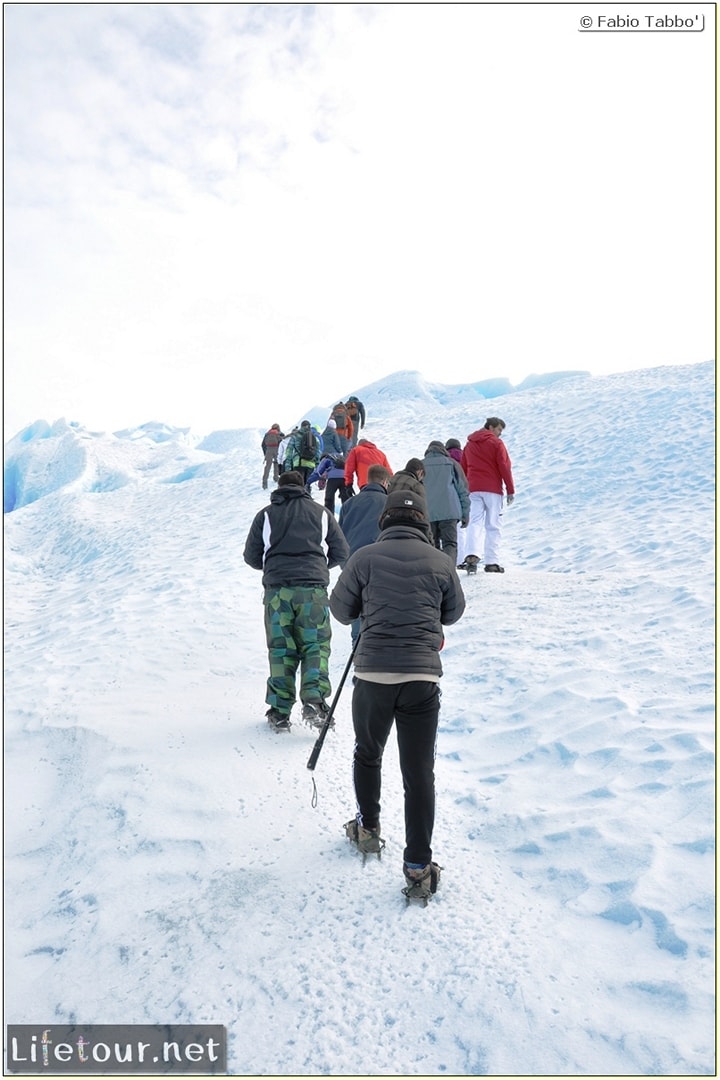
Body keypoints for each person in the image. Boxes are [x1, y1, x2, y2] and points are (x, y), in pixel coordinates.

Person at [329, 488, 466, 902]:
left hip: (372, 674)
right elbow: (453, 613)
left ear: (384, 520)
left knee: (368, 753)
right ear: (424, 523)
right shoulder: (441, 561)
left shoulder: (364, 558)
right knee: (418, 773)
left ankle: (368, 829)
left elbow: (340, 610)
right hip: (421, 679)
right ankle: (418, 868)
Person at [243, 471, 349, 732]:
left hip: (277, 592)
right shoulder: (321, 513)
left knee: (281, 649)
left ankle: (279, 711)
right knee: (315, 646)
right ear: (304, 488)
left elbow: (251, 556)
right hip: (312, 591)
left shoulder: (266, 515)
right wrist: (319, 566)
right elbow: (342, 551)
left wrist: (273, 567)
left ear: (279, 488)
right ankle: (314, 701)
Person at [337, 463, 391, 641]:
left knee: (359, 612)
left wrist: (345, 563)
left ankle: (358, 654)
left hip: (353, 564)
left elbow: (340, 534)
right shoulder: (389, 503)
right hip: (382, 563)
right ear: (384, 482)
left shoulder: (349, 504)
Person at [461, 417, 515, 574]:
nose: (500, 433)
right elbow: (504, 466)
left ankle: (472, 554)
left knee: (474, 522)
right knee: (493, 525)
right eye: (498, 429)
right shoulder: (496, 444)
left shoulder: (469, 444)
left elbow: (463, 467)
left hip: (473, 489)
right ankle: (492, 562)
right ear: (491, 427)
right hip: (492, 489)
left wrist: (465, 488)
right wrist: (510, 489)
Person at [422, 441, 470, 567]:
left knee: (431, 544)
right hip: (450, 512)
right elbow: (462, 490)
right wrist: (465, 514)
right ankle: (448, 572)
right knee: (450, 543)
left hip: (428, 512)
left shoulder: (421, 465)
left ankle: (434, 572)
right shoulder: (452, 464)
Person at [445, 439, 468, 567]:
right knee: (461, 529)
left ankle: (451, 560)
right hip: (463, 494)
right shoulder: (465, 456)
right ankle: (462, 559)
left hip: (449, 497)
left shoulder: (446, 459)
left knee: (449, 531)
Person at [285, 420, 321, 484]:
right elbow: (318, 452)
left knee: (298, 485)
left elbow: (289, 451)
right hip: (311, 464)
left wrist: (288, 466)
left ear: (301, 427)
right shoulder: (314, 437)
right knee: (307, 484)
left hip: (298, 463)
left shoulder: (295, 436)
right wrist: (317, 464)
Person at [260, 424, 285, 489]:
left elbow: (263, 444)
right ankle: (276, 478)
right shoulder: (279, 433)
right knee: (276, 463)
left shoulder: (267, 434)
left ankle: (264, 482)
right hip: (276, 449)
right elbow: (282, 443)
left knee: (268, 466)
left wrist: (265, 453)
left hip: (268, 450)